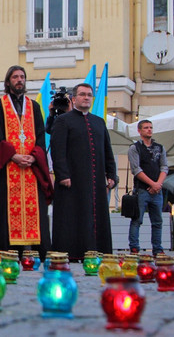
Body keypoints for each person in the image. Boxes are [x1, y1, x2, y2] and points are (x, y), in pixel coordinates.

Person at [0, 66, 53, 258]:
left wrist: (33, 156)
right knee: (6, 211)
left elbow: (40, 135)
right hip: (8, 167)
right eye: (15, 77)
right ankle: (7, 252)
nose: (19, 80)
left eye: (22, 77)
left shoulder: (34, 106)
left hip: (31, 168)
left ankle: (38, 252)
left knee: (36, 211)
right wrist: (13, 156)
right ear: (8, 82)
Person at [50, 83, 117, 260]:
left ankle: (96, 251)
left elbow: (107, 151)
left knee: (95, 215)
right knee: (72, 216)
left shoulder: (99, 122)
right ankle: (72, 253)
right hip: (72, 180)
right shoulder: (63, 121)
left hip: (94, 181)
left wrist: (112, 175)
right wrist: (63, 175)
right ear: (74, 98)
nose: (86, 97)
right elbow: (58, 150)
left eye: (89, 95)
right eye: (82, 94)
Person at [128, 120, 168, 255]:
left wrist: (158, 184)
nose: (149, 130)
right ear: (139, 131)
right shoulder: (135, 148)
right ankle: (134, 246)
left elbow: (164, 167)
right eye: (146, 128)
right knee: (137, 220)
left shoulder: (160, 147)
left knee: (157, 221)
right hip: (141, 190)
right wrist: (153, 184)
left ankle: (157, 248)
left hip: (157, 190)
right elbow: (136, 169)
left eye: (150, 127)